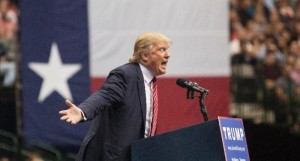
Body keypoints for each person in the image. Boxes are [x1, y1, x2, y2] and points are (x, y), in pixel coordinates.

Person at [59, 32, 171, 161]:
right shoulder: (125, 75)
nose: (168, 54)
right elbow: (104, 95)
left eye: (167, 50)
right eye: (162, 50)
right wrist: (82, 111)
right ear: (145, 55)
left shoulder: (150, 83)